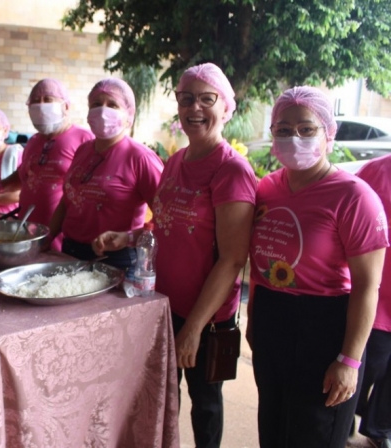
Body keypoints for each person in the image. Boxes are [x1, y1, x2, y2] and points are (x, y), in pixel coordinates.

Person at [92, 63, 257, 448]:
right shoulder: (177, 161)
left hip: (207, 314)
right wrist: (128, 237)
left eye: (206, 99)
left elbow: (232, 259)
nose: (194, 108)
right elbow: (166, 225)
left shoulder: (231, 170)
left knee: (206, 404)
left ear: (226, 108)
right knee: (166, 395)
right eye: (186, 99)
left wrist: (194, 328)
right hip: (164, 301)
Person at [247, 86, 387, 448]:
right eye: (283, 128)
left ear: (328, 132)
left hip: (325, 328)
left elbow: (367, 286)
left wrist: (350, 361)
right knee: (274, 426)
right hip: (273, 322)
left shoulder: (354, 197)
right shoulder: (267, 188)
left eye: (307, 128)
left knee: (316, 432)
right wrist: (256, 321)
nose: (294, 137)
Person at [48, 78, 163, 270]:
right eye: (96, 104)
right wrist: (48, 237)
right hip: (69, 251)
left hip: (115, 259)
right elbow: (67, 201)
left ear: (129, 115)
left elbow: (165, 218)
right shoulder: (83, 150)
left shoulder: (141, 157)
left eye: (112, 105)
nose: (103, 111)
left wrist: (129, 237)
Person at [0, 78, 94, 250]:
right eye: (35, 101)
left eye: (48, 100)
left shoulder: (84, 140)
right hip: (26, 232)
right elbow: (26, 173)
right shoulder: (33, 141)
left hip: (61, 240)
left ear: (66, 107)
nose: (41, 105)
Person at [355, 155, 391, 448]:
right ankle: (344, 418)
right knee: (371, 363)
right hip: (379, 291)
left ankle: (379, 429)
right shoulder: (377, 172)